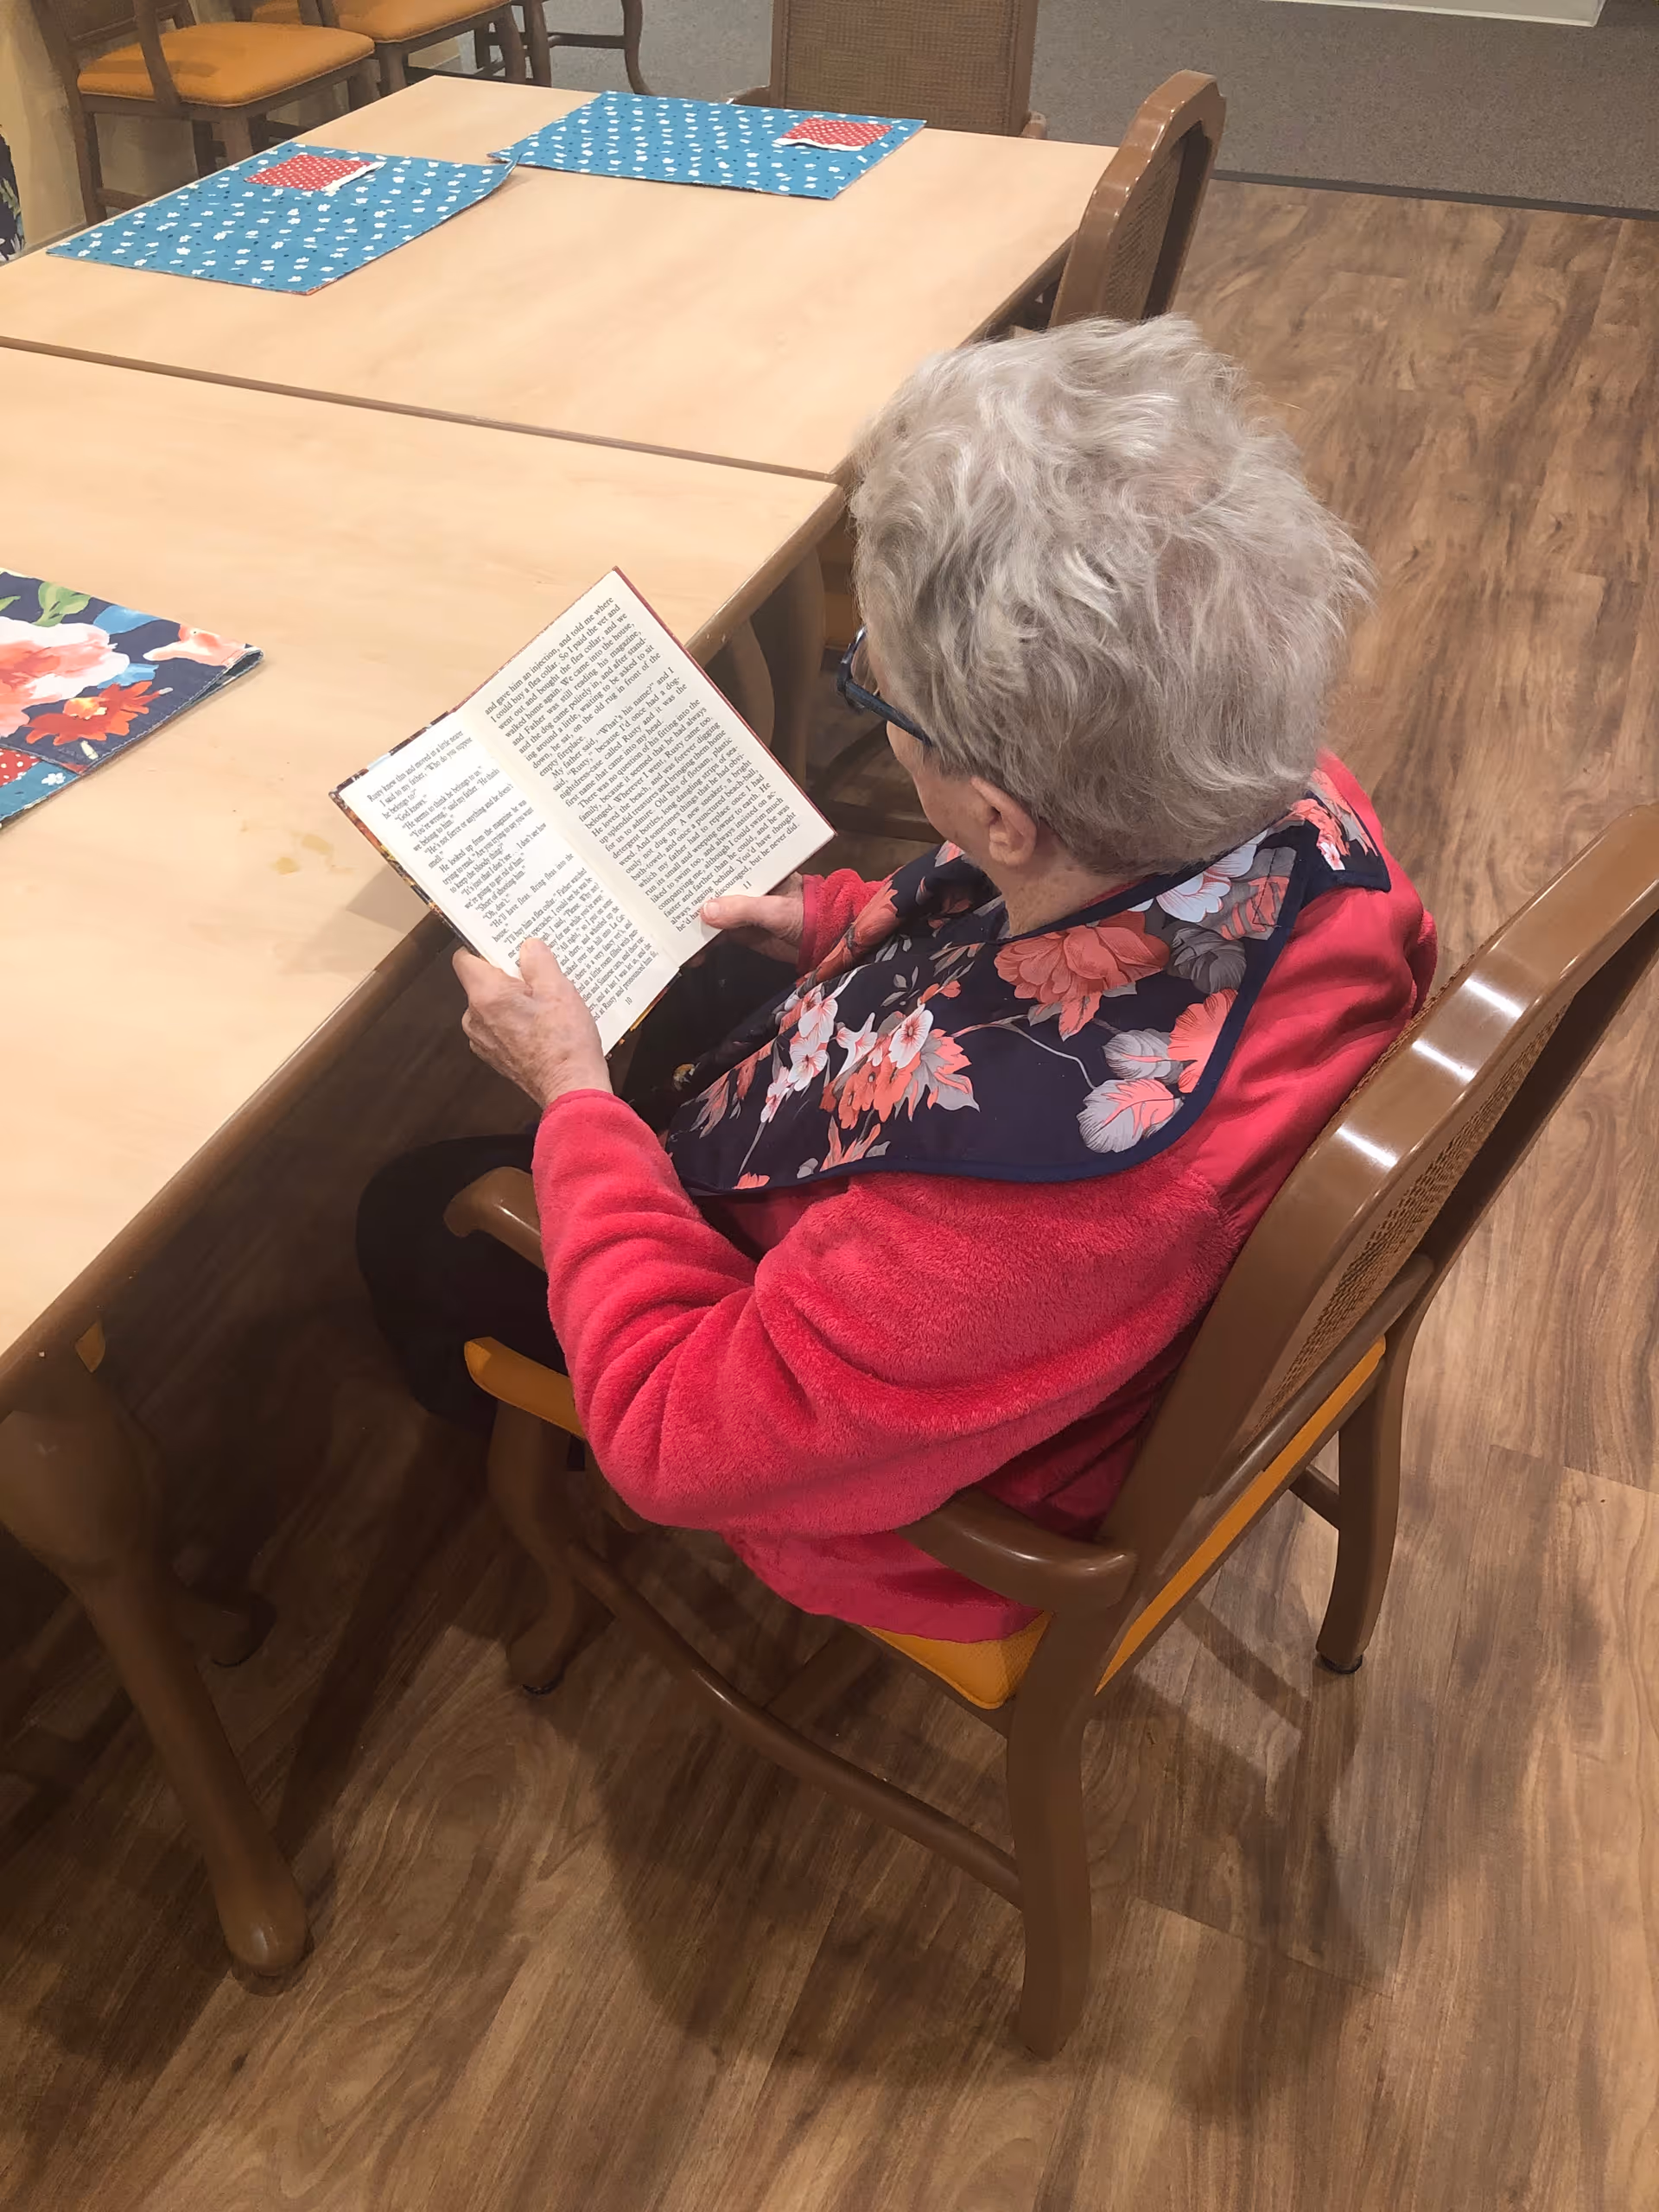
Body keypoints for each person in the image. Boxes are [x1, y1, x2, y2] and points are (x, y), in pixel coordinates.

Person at [358, 317, 1436, 1644]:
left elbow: (671, 1434)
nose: (872, 694)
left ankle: (522, 1457)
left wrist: (575, 1101)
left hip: (932, 1495)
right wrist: (837, 925)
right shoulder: (1300, 809)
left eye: (878, 688)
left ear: (997, 819)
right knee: (694, 997)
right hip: (1005, 1289)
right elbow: (1044, 929)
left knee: (410, 1209)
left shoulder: (1014, 1213)